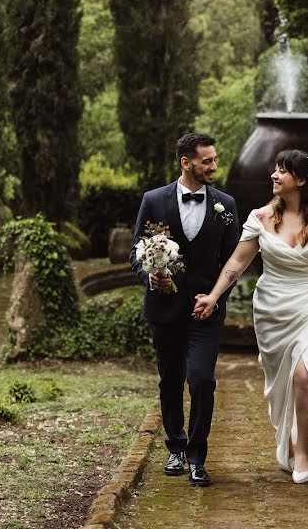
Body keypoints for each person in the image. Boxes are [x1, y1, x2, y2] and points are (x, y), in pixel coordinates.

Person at [193, 149, 308, 484]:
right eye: (274, 169)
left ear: (300, 180)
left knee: (305, 376)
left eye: (282, 171)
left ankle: (301, 449)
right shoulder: (260, 217)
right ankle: (288, 437)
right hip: (273, 308)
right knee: (283, 383)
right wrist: (214, 297)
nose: (274, 175)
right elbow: (237, 263)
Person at [129, 133, 241, 487]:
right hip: (164, 310)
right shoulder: (154, 200)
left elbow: (234, 261)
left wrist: (216, 297)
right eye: (207, 161)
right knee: (171, 380)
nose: (213, 167)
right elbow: (135, 251)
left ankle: (197, 456)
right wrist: (151, 276)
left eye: (214, 160)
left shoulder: (226, 205)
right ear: (186, 163)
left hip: (206, 311)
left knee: (202, 380)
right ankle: (175, 448)